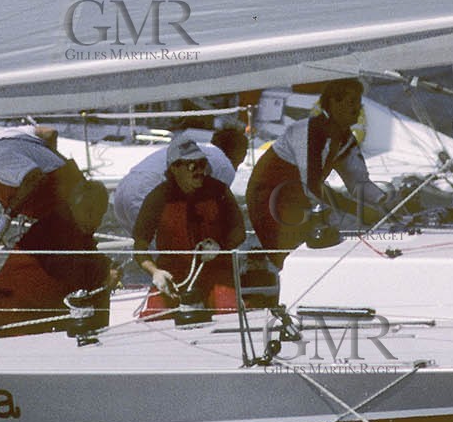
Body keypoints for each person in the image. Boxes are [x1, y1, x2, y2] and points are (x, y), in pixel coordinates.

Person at [0, 130, 110, 336]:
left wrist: (6, 217)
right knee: (56, 276)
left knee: (6, 294)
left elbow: (34, 178)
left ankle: (27, 337)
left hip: (66, 219)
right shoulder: (3, 140)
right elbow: (47, 141)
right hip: (70, 216)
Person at [245, 78, 389, 271]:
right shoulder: (306, 131)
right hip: (270, 199)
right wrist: (358, 209)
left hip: (301, 198)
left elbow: (358, 182)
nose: (358, 108)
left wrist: (384, 203)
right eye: (351, 102)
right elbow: (312, 186)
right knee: (294, 261)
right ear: (333, 103)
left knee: (325, 245)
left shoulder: (345, 139)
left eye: (359, 102)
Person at [132, 133, 247, 318]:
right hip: (173, 275)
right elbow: (140, 244)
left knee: (230, 314)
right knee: (153, 320)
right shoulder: (158, 198)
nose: (200, 170)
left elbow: (239, 231)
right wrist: (155, 272)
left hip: (216, 271)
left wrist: (221, 247)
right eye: (192, 165)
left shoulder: (219, 191)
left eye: (203, 164)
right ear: (175, 168)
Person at [111, 123, 248, 230]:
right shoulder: (224, 165)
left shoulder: (201, 151)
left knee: (149, 251)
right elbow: (210, 210)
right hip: (147, 191)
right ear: (240, 154)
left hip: (123, 190)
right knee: (170, 254)